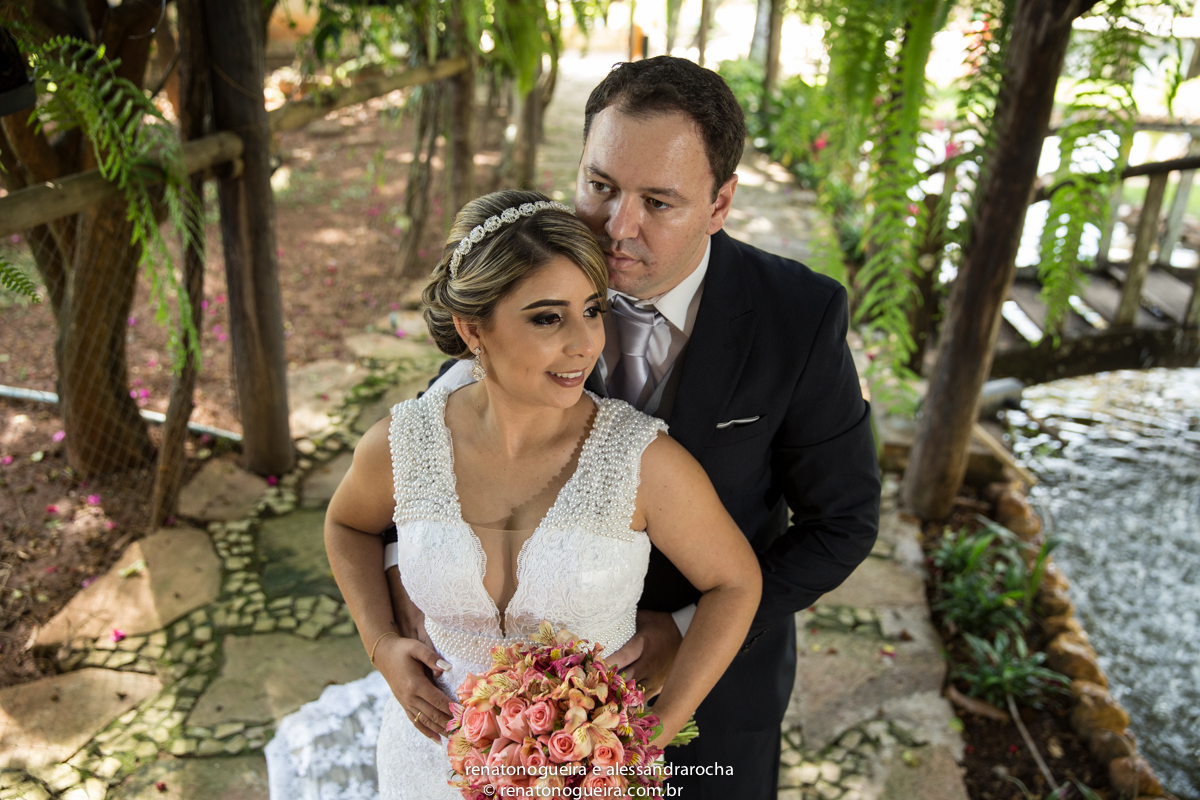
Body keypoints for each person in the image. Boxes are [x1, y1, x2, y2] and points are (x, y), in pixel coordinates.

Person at [389, 56, 881, 798]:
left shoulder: (797, 317)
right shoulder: (526, 285)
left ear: (719, 204)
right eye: (601, 186)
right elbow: (428, 458)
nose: (618, 228)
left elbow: (843, 521)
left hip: (713, 697)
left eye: (660, 202)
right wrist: (403, 613)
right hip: (514, 717)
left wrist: (683, 628)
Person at [266, 189, 762, 800]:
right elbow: (347, 527)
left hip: (581, 777)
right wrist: (381, 644)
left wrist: (653, 733)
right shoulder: (403, 443)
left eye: (592, 308)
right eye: (548, 317)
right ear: (473, 328)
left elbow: (736, 583)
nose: (585, 343)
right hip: (427, 763)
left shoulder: (642, 462)